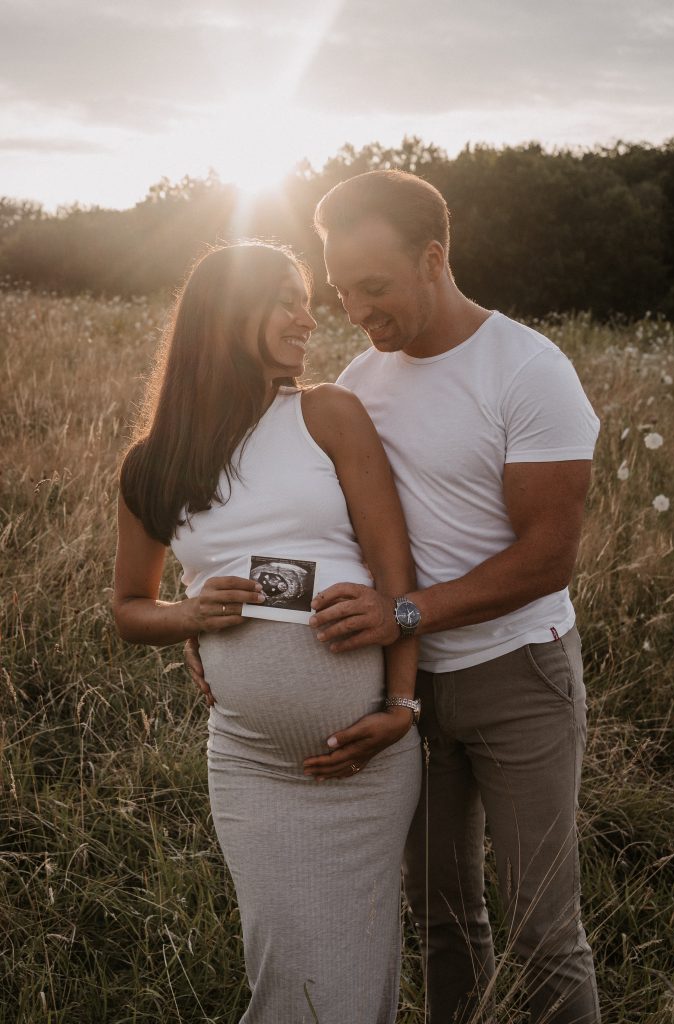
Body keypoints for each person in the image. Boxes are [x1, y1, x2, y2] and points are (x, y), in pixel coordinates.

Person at [188, 171, 602, 1023]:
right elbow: (311, 525)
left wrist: (405, 614)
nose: (354, 311)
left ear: (433, 259)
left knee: (540, 930)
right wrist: (213, 622)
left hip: (516, 675)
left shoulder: (528, 370)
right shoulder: (359, 379)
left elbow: (546, 559)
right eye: (341, 290)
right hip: (401, 690)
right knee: (442, 918)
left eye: (373, 287)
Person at [113, 241, 422, 1024]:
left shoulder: (326, 414)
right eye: (287, 299)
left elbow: (396, 574)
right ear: (226, 313)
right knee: (286, 973)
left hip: (367, 760)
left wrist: (401, 706)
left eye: (306, 301)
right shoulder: (153, 463)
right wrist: (188, 615)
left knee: (358, 976)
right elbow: (128, 606)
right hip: (251, 764)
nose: (308, 319)